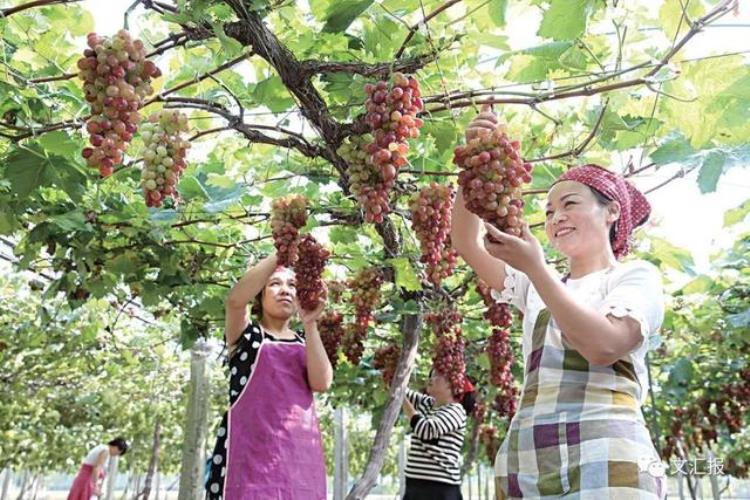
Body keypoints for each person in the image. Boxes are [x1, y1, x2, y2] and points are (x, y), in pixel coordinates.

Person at [451, 107, 666, 499]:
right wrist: (472, 163)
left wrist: (536, 268)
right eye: (548, 212)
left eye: (569, 204)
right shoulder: (535, 282)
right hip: (528, 462)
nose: (555, 218)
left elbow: (604, 345)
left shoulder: (633, 277)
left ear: (612, 212)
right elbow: (466, 242)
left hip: (606, 459)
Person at [205, 253, 332, 500]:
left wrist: (310, 323)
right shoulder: (246, 335)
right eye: (274, 283)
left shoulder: (304, 342)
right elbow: (234, 301)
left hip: (298, 463)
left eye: (292, 285)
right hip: (249, 461)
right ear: (260, 297)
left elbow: (322, 382)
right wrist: (284, 250)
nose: (285, 290)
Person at [401, 370, 476, 500]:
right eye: (431, 374)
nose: (431, 378)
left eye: (436, 376)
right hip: (414, 485)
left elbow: (426, 430)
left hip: (439, 489)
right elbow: (400, 390)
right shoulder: (427, 403)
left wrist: (400, 394)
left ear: (451, 386)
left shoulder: (456, 411)